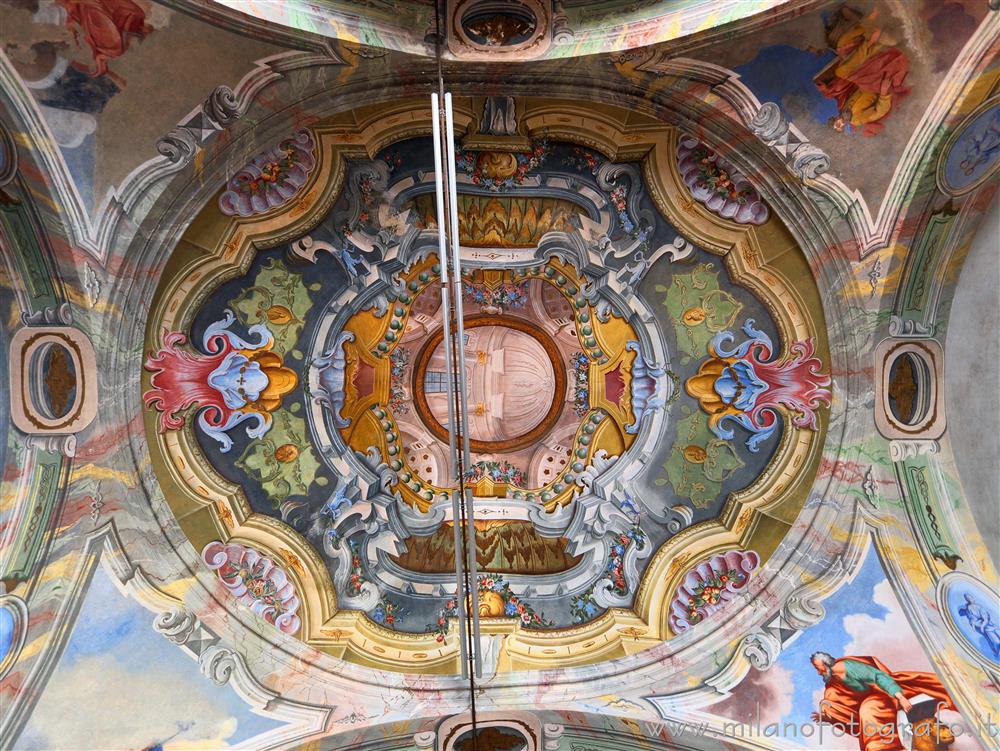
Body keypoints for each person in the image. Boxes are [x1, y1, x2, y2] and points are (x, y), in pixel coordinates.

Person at [809, 651, 956, 751]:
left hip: (887, 693)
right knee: (828, 704)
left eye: (818, 668)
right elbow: (841, 702)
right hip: (870, 700)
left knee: (870, 708)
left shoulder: (850, 667)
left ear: (826, 663)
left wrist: (901, 697)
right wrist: (829, 717)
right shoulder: (833, 681)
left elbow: (879, 677)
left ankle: (883, 746)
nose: (818, 672)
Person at [815, 6, 910, 136]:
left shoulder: (843, 108)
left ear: (835, 119)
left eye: (835, 123)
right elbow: (878, 112)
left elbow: (840, 92)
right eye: (838, 128)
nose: (838, 124)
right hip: (873, 85)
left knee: (842, 45)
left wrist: (826, 89)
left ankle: (870, 24)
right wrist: (884, 94)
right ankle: (870, 42)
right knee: (841, 72)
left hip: (862, 80)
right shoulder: (857, 120)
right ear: (842, 127)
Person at [957, 592, 1000, 658]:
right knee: (996, 642)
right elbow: (972, 620)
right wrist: (977, 625)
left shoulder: (977, 607)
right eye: (968, 598)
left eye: (970, 597)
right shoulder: (969, 610)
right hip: (986, 628)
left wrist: (982, 625)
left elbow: (985, 618)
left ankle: (996, 653)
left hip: (989, 626)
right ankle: (996, 653)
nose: (971, 599)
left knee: (994, 640)